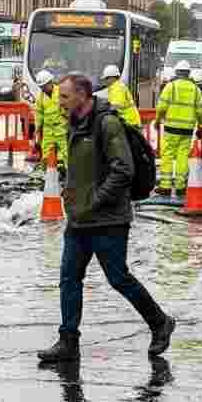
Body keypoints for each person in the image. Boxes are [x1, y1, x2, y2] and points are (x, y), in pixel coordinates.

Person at [37, 73, 175, 362]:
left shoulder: (107, 123)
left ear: (83, 96)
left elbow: (123, 170)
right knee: (69, 278)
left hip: (108, 219)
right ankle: (68, 341)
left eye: (64, 96)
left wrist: (95, 201)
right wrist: (69, 194)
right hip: (79, 219)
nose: (59, 101)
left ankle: (160, 322)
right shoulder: (74, 123)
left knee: (118, 278)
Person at [154, 60, 202, 197]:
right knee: (183, 156)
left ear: (177, 72)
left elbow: (161, 107)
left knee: (168, 155)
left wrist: (158, 121)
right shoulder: (195, 89)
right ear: (188, 73)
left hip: (171, 128)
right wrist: (201, 126)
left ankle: (165, 186)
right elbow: (200, 111)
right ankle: (181, 186)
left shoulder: (171, 87)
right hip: (187, 129)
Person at [34, 70, 68, 171]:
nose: (42, 88)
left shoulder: (61, 92)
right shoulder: (41, 96)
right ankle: (48, 176)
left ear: (50, 82)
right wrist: (38, 128)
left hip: (62, 129)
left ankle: (67, 176)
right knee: (46, 155)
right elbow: (39, 113)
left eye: (44, 86)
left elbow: (69, 108)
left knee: (66, 155)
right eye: (41, 86)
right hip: (48, 131)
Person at [100, 65, 141, 129]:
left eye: (106, 78)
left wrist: (102, 112)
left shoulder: (117, 88)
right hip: (130, 121)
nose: (105, 81)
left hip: (129, 122)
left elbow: (115, 107)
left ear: (112, 78)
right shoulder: (117, 86)